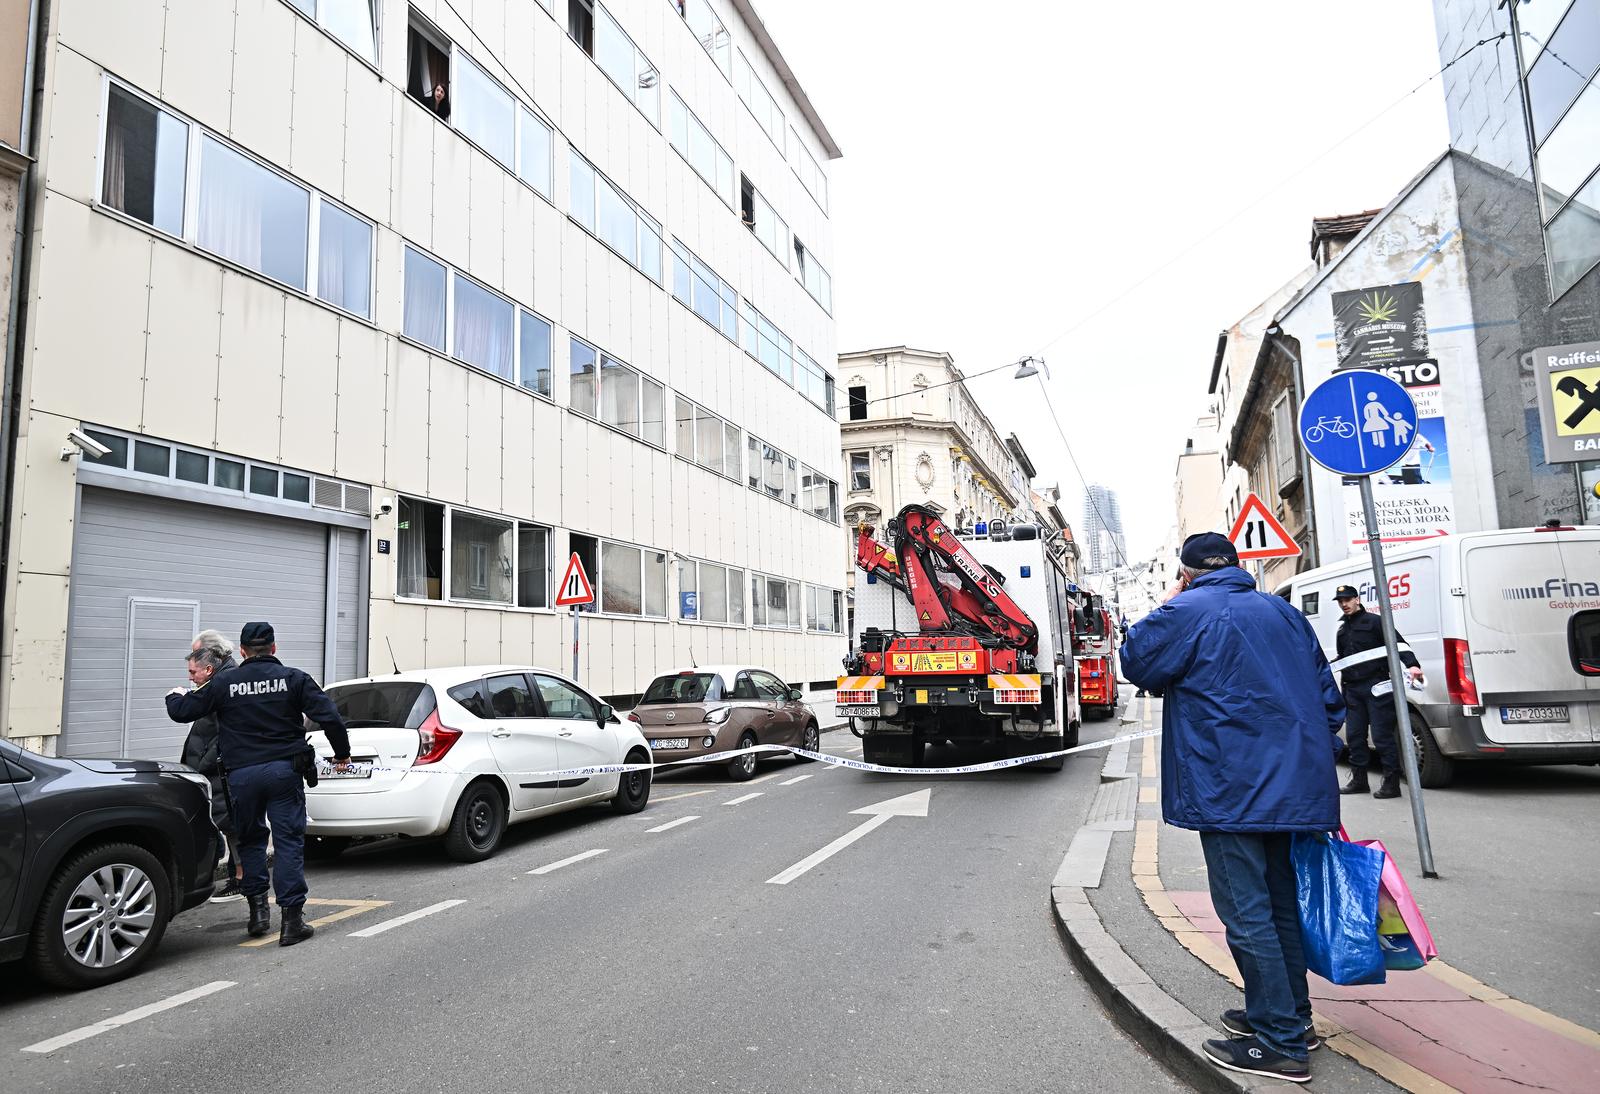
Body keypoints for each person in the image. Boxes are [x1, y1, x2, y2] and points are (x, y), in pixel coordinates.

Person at [1121, 532, 1345, 1084]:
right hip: (1293, 787)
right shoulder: (1283, 612)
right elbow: (1330, 702)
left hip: (1229, 788)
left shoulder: (1189, 608)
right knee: (1279, 906)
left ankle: (1283, 1044)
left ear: (1188, 571)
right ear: (1238, 565)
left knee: (1247, 914)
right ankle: (1291, 1017)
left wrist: (1174, 599)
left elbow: (1138, 663)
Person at [165, 622, 351, 947]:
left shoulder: (225, 682)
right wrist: (342, 754)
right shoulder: (294, 678)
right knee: (289, 842)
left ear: (242, 651)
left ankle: (258, 916)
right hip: (284, 772)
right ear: (274, 648)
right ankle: (292, 922)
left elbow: (183, 712)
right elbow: (331, 716)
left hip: (242, 777)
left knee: (251, 842)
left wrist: (175, 694)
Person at [1333, 585, 1423, 799]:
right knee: (1355, 737)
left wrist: (1412, 665)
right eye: (1340, 601)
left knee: (1382, 737)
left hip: (1376, 687)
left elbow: (1398, 644)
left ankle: (1392, 783)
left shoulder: (1375, 622)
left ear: (1357, 599)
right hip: (1353, 690)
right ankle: (1359, 780)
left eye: (1347, 599)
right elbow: (1344, 657)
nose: (1344, 604)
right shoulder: (1342, 630)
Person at [179, 630, 241, 901]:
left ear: (209, 661)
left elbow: (223, 730)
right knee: (222, 821)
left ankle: (241, 879)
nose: (190, 673)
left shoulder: (223, 682)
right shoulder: (216, 680)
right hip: (210, 767)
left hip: (218, 769)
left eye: (195, 656)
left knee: (229, 821)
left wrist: (207, 761)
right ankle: (235, 874)